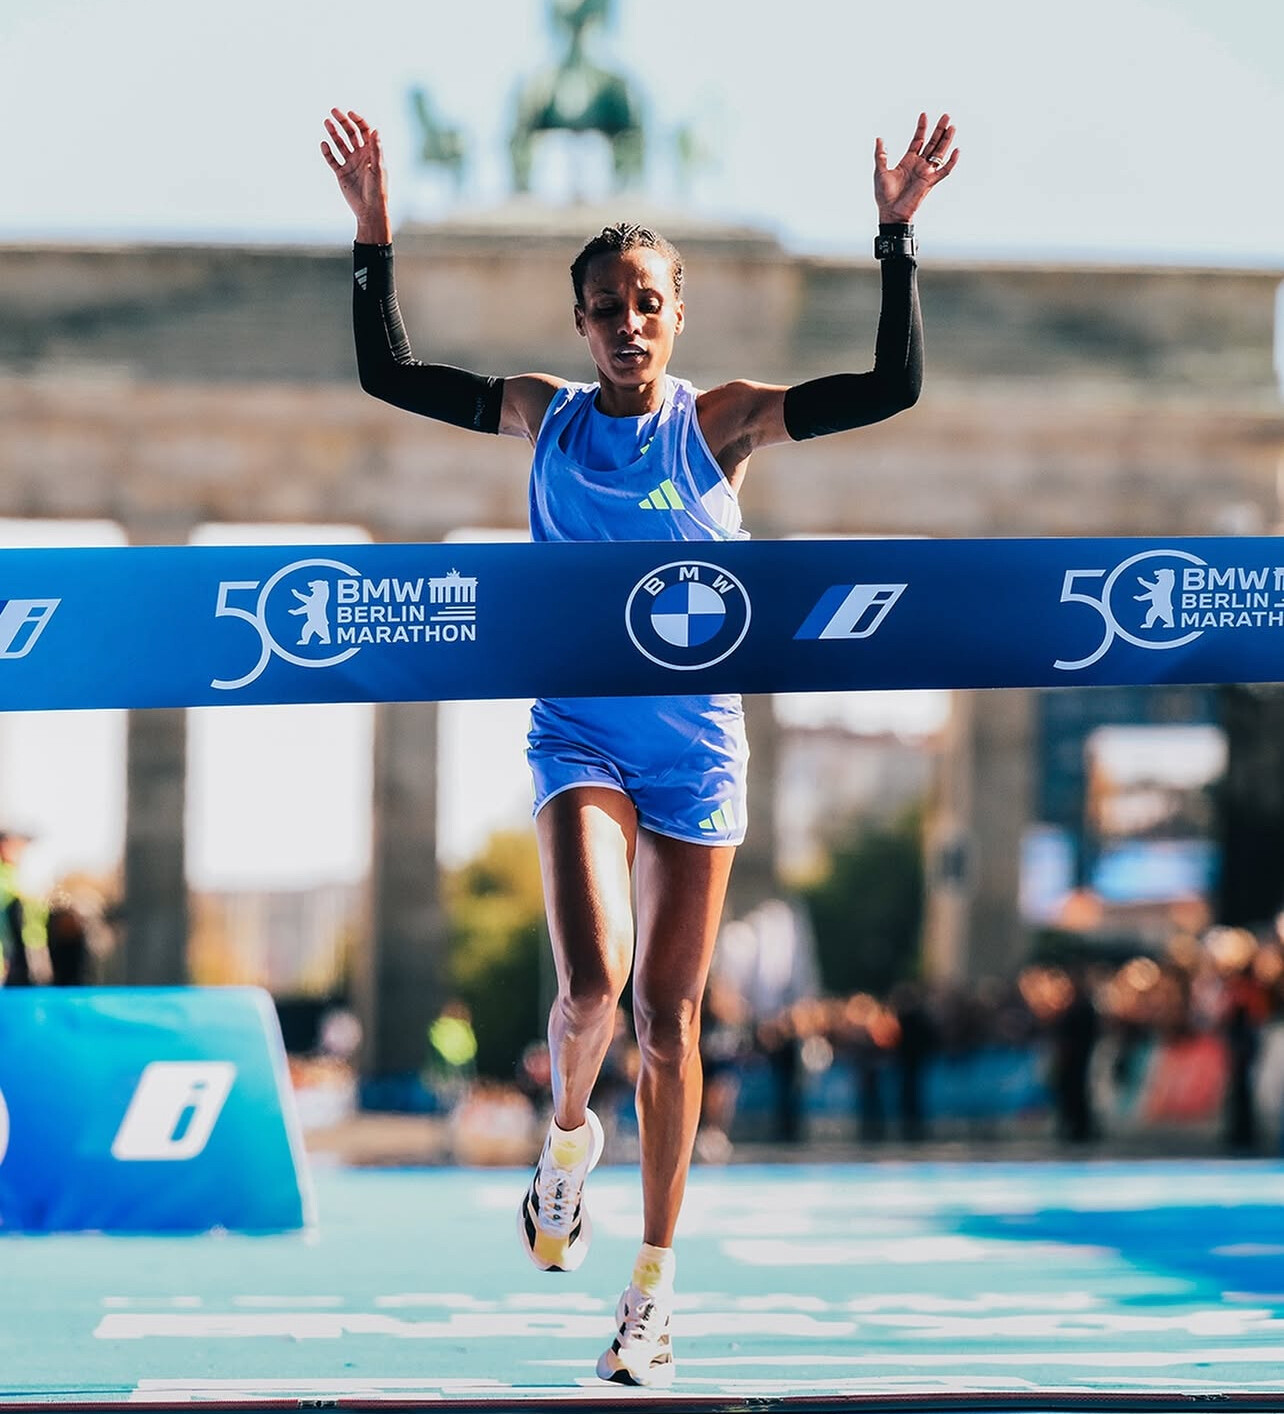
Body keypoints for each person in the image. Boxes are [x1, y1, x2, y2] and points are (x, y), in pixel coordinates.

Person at [321, 104, 957, 1388]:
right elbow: (393, 378)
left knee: (674, 1021)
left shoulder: (719, 423)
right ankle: (566, 1144)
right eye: (607, 307)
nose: (628, 324)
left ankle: (651, 1295)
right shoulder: (544, 416)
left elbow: (890, 389)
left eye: (648, 304)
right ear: (580, 322)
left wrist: (894, 238)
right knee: (592, 988)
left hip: (697, 753)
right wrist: (373, 240)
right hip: (579, 736)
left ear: (677, 315)